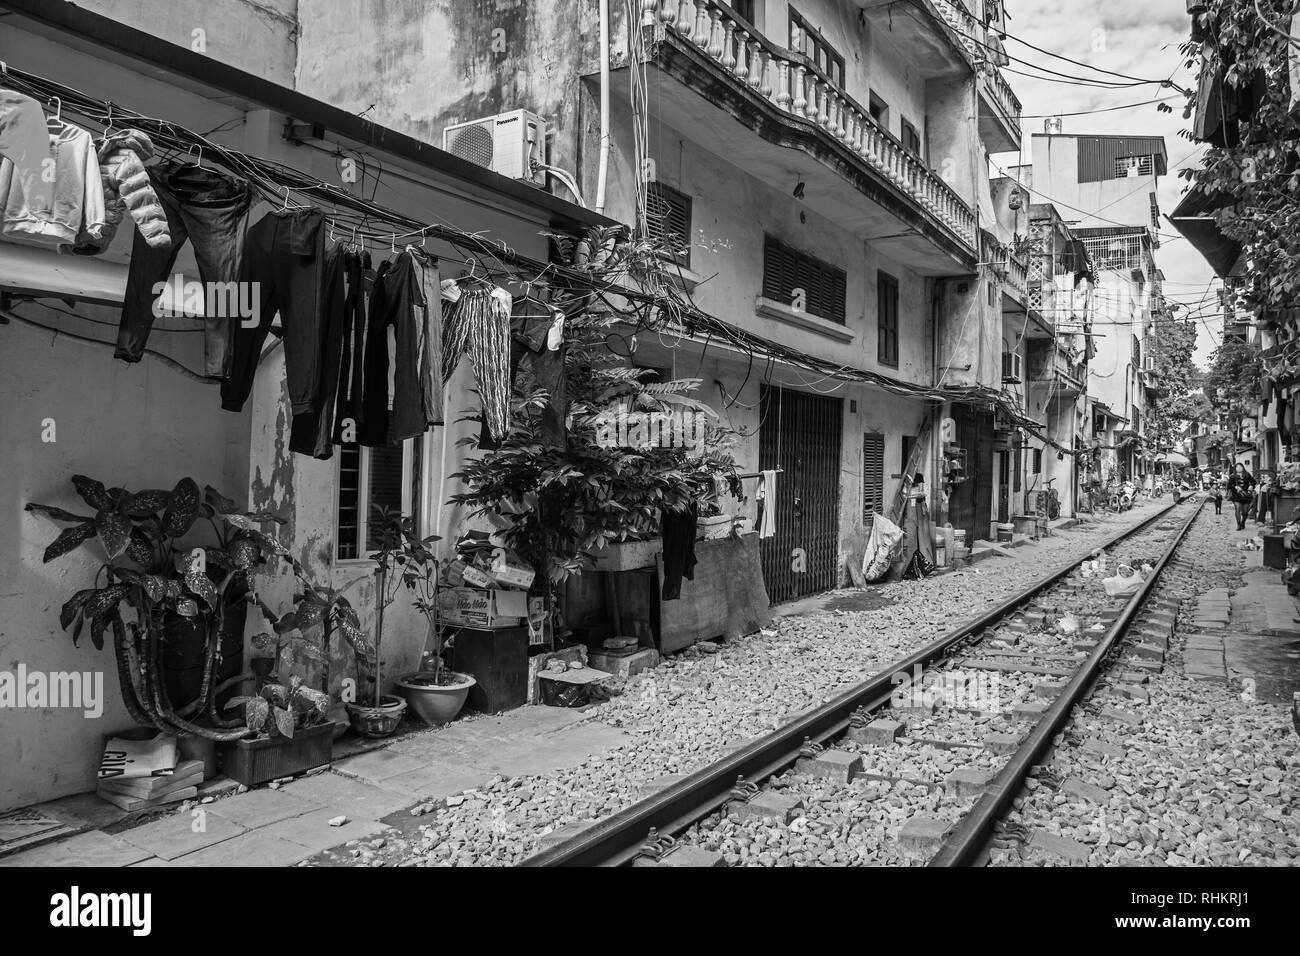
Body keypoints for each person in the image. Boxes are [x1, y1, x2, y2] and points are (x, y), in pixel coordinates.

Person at [1226, 463, 1257, 531]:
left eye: (1240, 467)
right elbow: (1229, 486)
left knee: (1245, 511)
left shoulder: (1247, 474)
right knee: (1237, 508)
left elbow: (1254, 482)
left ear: (1243, 467)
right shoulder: (1232, 476)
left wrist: (1251, 486)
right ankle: (1238, 524)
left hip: (1246, 495)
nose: (1239, 468)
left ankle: (1243, 522)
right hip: (1236, 495)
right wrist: (1235, 487)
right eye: (1237, 467)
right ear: (1235, 469)